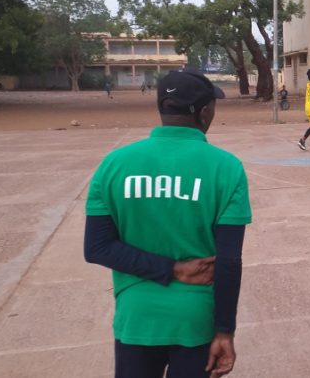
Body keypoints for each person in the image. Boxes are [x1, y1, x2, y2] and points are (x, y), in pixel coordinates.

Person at [84, 67, 251, 378]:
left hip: (136, 317)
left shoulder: (114, 164)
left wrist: (167, 269)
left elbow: (97, 248)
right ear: (204, 112)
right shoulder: (227, 168)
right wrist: (225, 331)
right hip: (195, 320)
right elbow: (228, 261)